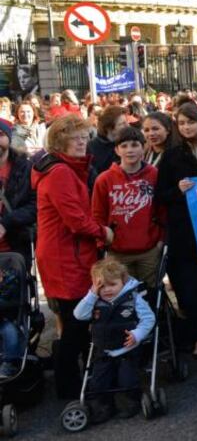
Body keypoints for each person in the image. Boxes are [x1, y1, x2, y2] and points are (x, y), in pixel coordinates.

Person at [32, 114, 114, 399]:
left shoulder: (64, 169)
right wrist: (103, 233)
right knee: (76, 325)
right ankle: (69, 391)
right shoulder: (60, 173)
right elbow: (76, 221)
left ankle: (76, 384)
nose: (81, 142)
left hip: (68, 253)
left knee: (75, 322)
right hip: (65, 257)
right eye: (74, 138)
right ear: (59, 142)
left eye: (84, 137)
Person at [155, 102, 197, 359]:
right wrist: (178, 191)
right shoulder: (171, 155)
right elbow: (160, 194)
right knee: (187, 286)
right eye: (181, 123)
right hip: (183, 230)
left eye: (190, 122)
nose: (186, 127)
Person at [72, 259, 154, 422]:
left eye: (112, 285)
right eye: (102, 286)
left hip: (127, 348)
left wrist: (137, 334)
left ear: (123, 282)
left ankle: (130, 403)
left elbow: (148, 319)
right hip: (103, 349)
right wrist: (92, 294)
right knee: (98, 382)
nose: (107, 290)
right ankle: (102, 407)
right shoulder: (94, 301)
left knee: (127, 379)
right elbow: (79, 315)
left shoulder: (133, 298)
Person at [92, 127, 163, 288]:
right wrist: (102, 244)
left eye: (134, 145)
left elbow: (162, 209)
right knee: (121, 297)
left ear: (143, 147)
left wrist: (161, 240)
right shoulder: (104, 179)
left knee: (150, 293)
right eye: (124, 146)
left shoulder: (154, 174)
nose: (129, 150)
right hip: (117, 252)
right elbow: (98, 214)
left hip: (149, 250)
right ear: (117, 150)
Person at [0, 119, 35, 261]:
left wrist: (7, 221)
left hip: (15, 251)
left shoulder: (26, 168)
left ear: (9, 138)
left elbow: (36, 205)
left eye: (0, 135)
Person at [88, 105, 128, 175]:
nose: (128, 126)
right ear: (109, 128)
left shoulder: (128, 142)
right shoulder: (91, 148)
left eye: (126, 122)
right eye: (122, 124)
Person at [0, 258, 23, 378]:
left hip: (7, 318)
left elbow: (11, 299)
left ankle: (9, 364)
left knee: (10, 331)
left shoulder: (11, 280)